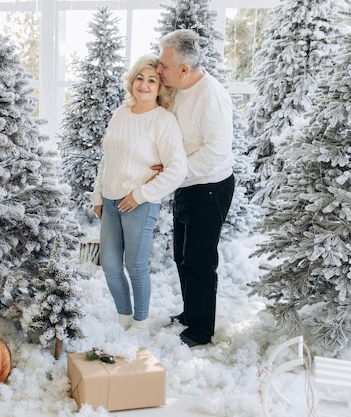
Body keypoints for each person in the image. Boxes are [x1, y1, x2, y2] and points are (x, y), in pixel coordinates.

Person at [90, 54, 187, 334]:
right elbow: (108, 159)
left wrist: (142, 194)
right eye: (140, 78)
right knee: (109, 264)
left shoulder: (163, 121)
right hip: (110, 201)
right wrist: (98, 195)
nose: (144, 85)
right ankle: (124, 321)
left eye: (152, 80)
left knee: (134, 265)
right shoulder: (120, 113)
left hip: (139, 205)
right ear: (132, 82)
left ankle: (141, 325)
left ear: (160, 87)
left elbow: (177, 169)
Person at [155, 29, 235, 347]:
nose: (158, 70)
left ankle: (201, 331)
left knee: (200, 261)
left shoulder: (211, 97)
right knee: (182, 256)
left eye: (163, 65)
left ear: (184, 70)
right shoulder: (180, 87)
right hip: (186, 185)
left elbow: (216, 150)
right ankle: (190, 314)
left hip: (209, 188)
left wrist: (175, 171)